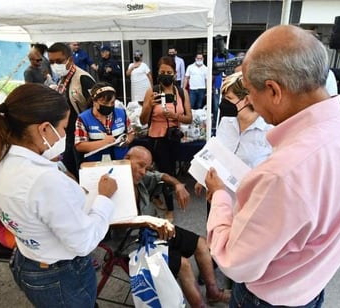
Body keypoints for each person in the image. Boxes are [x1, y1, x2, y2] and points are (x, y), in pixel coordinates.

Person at [205, 25, 340, 308]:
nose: (249, 103)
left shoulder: (282, 173)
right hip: (310, 289)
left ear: (273, 90)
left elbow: (234, 262)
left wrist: (221, 196)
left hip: (266, 299)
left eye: (249, 92)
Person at [0, 83, 117, 308]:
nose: (65, 135)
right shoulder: (42, 179)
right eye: (64, 128)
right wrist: (103, 197)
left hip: (28, 259)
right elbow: (83, 243)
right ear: (44, 129)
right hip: (59, 274)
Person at [125, 146, 230, 307]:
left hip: (156, 229)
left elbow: (162, 175)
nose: (144, 172)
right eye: (140, 165)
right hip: (137, 242)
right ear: (126, 159)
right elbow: (113, 223)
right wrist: (148, 221)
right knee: (184, 264)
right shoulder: (114, 183)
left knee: (201, 243)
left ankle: (213, 292)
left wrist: (178, 185)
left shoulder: (141, 178)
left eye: (147, 167)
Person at [139, 56, 192, 222]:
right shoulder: (152, 91)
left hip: (174, 138)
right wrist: (148, 105)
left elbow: (189, 118)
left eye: (169, 72)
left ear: (175, 73)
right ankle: (170, 208)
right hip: (157, 138)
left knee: (171, 171)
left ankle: (157, 195)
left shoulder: (181, 92)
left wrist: (175, 115)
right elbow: (142, 120)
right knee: (165, 172)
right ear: (158, 73)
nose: (166, 75)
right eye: (162, 72)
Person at [48, 42, 96, 179]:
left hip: (81, 136)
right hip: (67, 135)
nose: (55, 65)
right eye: (51, 62)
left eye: (59, 61)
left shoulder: (83, 78)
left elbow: (96, 108)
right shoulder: (63, 79)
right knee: (68, 169)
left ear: (70, 59)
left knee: (80, 171)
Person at [75, 82, 134, 162]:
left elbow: (131, 133)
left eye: (112, 103)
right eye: (105, 103)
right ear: (94, 102)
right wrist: (104, 142)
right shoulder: (83, 119)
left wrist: (127, 140)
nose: (109, 106)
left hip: (121, 161)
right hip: (96, 164)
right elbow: (80, 146)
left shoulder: (121, 113)